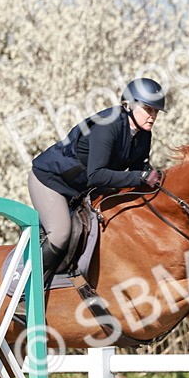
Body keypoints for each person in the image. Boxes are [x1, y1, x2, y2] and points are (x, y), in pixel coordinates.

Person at [24, 78, 167, 302]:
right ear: (129, 105)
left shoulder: (143, 135)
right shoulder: (107, 126)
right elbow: (97, 174)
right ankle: (27, 292)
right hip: (51, 182)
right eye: (148, 109)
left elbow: (137, 177)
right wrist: (140, 176)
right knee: (61, 233)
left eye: (156, 111)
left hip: (81, 191)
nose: (153, 116)